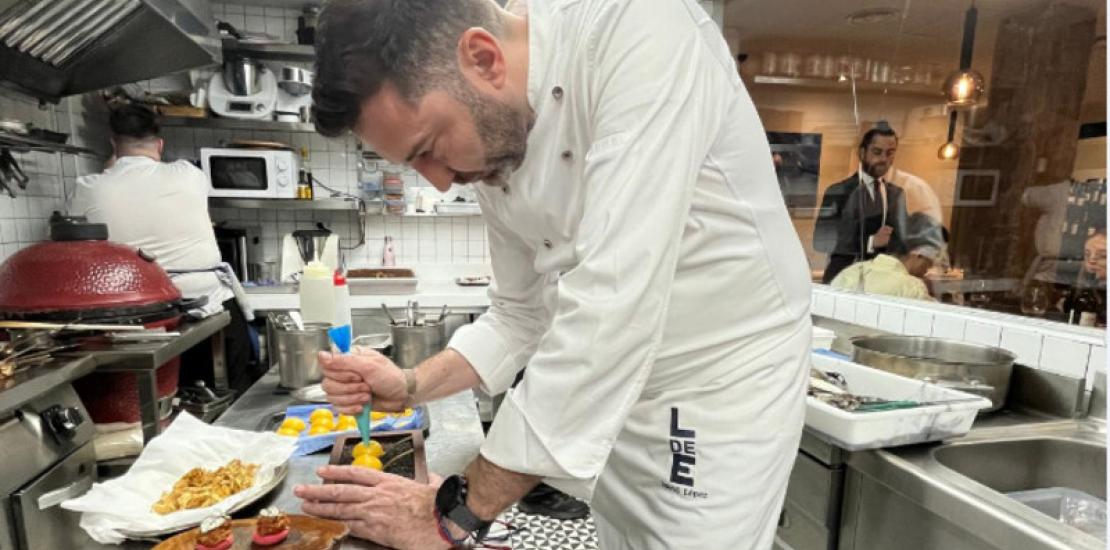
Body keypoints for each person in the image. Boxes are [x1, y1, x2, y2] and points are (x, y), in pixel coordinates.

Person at [293, 1, 813, 549]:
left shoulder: (638, 29)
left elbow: (614, 300)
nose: (441, 182)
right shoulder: (495, 141)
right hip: (616, 384)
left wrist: (453, 514)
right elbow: (521, 312)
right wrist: (413, 385)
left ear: (483, 57)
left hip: (718, 376)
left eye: (429, 148)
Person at [68, 104, 261, 393]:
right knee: (227, 403)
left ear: (113, 143)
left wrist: (114, 164)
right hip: (208, 309)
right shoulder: (189, 174)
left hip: (136, 322)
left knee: (161, 411)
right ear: (160, 144)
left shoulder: (88, 187)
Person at [814, 126, 909, 284]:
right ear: (862, 153)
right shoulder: (839, 191)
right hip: (843, 280)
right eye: (877, 152)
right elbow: (821, 240)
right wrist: (871, 242)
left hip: (881, 282)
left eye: (890, 153)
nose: (884, 159)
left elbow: (902, 240)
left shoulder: (897, 194)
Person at [830, 213, 945, 301]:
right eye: (932, 260)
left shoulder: (850, 274)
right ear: (918, 253)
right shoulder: (912, 288)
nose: (929, 268)